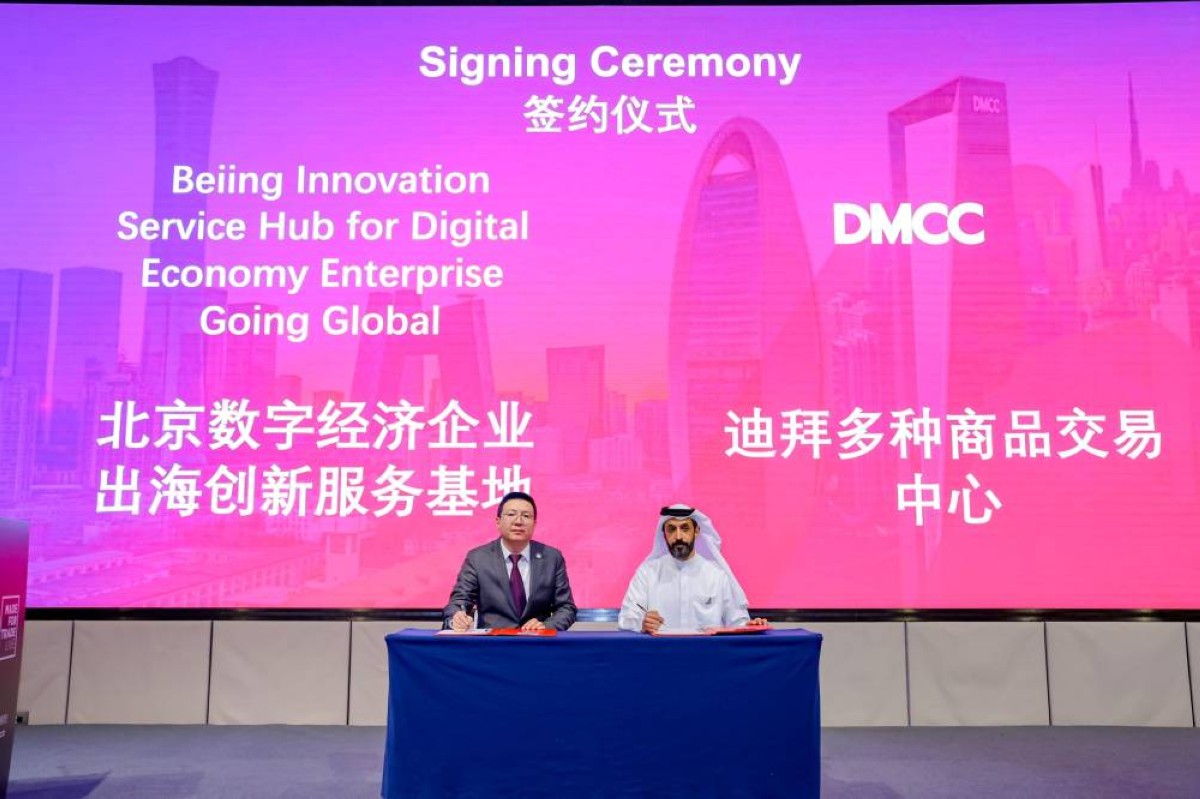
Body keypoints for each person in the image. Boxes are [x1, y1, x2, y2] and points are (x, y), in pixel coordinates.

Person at [617, 504, 768, 633]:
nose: (678, 536)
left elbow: (737, 623)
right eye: (671, 529)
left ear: (696, 531)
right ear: (664, 535)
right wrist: (641, 623)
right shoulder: (647, 573)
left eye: (685, 528)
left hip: (707, 654)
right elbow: (625, 619)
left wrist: (750, 626)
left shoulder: (716, 575)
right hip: (662, 654)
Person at [443, 491, 577, 631]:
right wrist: (456, 619)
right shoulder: (478, 558)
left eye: (526, 516)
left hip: (536, 641)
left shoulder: (552, 558)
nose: (518, 521)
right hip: (493, 641)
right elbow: (459, 602)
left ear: (534, 524)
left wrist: (546, 626)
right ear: (498, 521)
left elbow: (566, 608)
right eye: (511, 514)